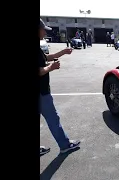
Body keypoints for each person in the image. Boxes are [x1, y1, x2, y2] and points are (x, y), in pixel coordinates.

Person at [39, 18, 80, 156]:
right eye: (43, 29)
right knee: (53, 119)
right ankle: (65, 145)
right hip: (41, 92)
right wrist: (52, 67)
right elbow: (39, 70)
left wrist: (62, 52)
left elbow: (46, 57)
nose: (45, 32)